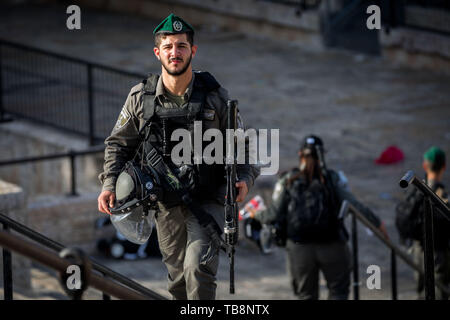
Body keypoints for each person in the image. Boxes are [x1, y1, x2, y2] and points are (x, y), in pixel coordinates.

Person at [97, 13, 259, 300]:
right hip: (164, 203)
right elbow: (118, 144)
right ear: (157, 52)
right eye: (169, 46)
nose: (175, 52)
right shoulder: (140, 98)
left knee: (198, 269)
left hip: (208, 200)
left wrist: (244, 177)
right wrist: (109, 183)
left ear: (192, 51)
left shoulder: (215, 97)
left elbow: (243, 145)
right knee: (178, 281)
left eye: (182, 46)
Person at [250, 135, 388, 300]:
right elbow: (354, 205)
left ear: (300, 154)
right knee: (338, 292)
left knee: (306, 295)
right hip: (333, 244)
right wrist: (377, 223)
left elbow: (273, 214)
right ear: (323, 154)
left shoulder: (288, 180)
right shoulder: (332, 179)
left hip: (299, 248)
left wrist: (255, 214)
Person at [396, 146, 449, 299]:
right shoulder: (443, 197)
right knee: (439, 290)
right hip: (437, 253)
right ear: (444, 167)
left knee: (422, 290)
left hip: (418, 249)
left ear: (425, 166)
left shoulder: (418, 190)